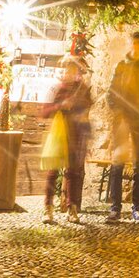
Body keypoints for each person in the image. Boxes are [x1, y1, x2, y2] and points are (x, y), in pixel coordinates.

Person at [105, 31, 139, 222]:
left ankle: (137, 208)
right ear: (130, 44)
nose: (137, 46)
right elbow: (110, 94)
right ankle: (115, 208)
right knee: (117, 164)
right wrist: (118, 114)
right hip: (121, 122)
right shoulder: (121, 66)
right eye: (134, 43)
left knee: (138, 165)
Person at [40, 56, 93, 223]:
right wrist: (61, 106)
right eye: (68, 68)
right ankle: (48, 208)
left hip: (76, 134)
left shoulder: (83, 89)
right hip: (59, 132)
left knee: (73, 173)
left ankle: (72, 208)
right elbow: (44, 112)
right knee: (53, 171)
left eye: (73, 69)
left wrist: (87, 137)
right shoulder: (57, 88)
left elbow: (86, 113)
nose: (70, 72)